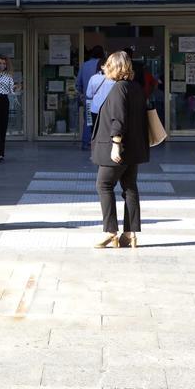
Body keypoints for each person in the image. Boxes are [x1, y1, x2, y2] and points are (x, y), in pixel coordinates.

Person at [90, 51, 150, 249]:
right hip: (135, 148)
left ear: (115, 67)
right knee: (130, 187)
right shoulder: (136, 88)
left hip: (120, 147)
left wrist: (115, 145)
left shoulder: (119, 89)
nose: (104, 67)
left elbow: (118, 119)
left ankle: (110, 232)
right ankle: (130, 234)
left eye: (108, 64)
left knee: (104, 185)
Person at [76, 46, 105, 150]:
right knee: (103, 122)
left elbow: (78, 84)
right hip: (102, 101)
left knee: (88, 122)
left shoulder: (85, 65)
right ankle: (100, 144)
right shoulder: (105, 65)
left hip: (88, 100)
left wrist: (82, 96)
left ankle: (86, 143)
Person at [86, 61, 111, 135]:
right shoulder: (113, 79)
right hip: (108, 110)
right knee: (107, 133)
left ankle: (94, 146)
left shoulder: (93, 78)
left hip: (95, 109)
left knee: (94, 132)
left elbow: (89, 94)